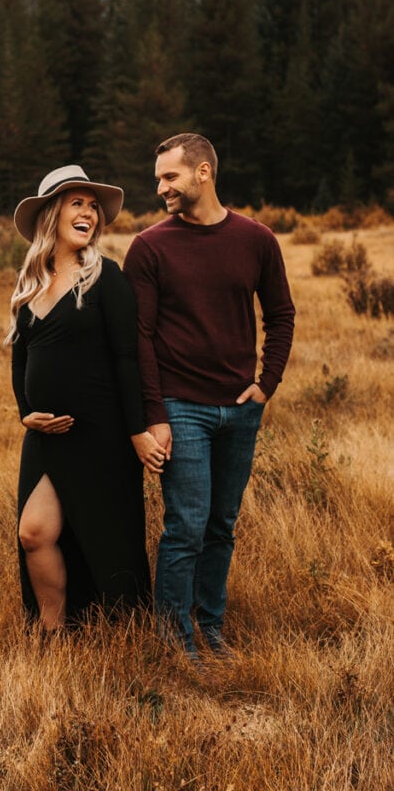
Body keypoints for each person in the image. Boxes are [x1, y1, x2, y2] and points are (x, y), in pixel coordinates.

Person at [123, 133, 295, 661]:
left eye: (170, 177)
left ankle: (210, 628)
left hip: (241, 409)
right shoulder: (150, 247)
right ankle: (175, 642)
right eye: (158, 179)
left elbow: (281, 314)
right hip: (180, 406)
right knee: (187, 527)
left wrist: (267, 383)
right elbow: (139, 338)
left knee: (222, 525)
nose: (160, 189)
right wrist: (155, 415)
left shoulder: (257, 239)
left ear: (203, 173)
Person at [7, 165, 165, 632]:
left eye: (93, 206)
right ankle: (53, 630)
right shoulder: (29, 283)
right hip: (46, 436)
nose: (89, 213)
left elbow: (126, 358)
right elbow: (20, 361)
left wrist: (137, 430)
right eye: (77, 203)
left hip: (101, 432)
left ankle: (128, 633)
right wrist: (25, 415)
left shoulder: (106, 278)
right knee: (34, 533)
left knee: (106, 535)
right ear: (52, 214)